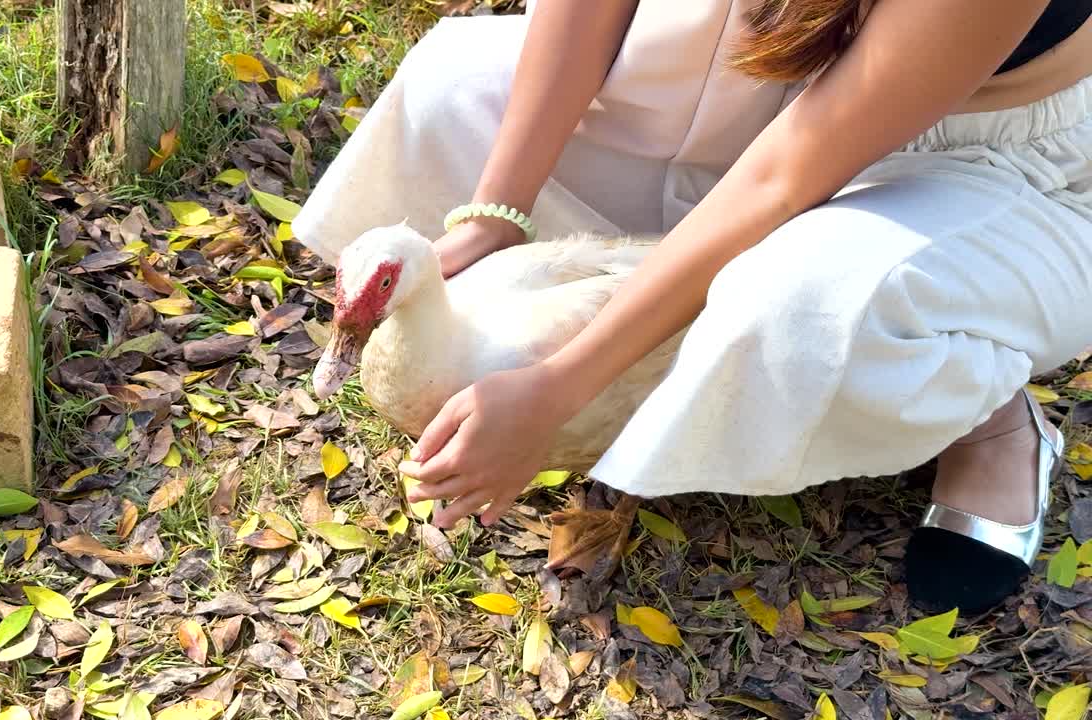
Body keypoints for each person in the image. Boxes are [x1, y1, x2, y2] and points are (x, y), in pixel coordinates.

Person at [289, 0, 1092, 614]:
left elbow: (788, 172)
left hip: (993, 151)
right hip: (796, 81)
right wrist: (500, 212)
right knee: (452, 94)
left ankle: (988, 410)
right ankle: (685, 316)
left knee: (809, 299)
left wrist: (558, 386)